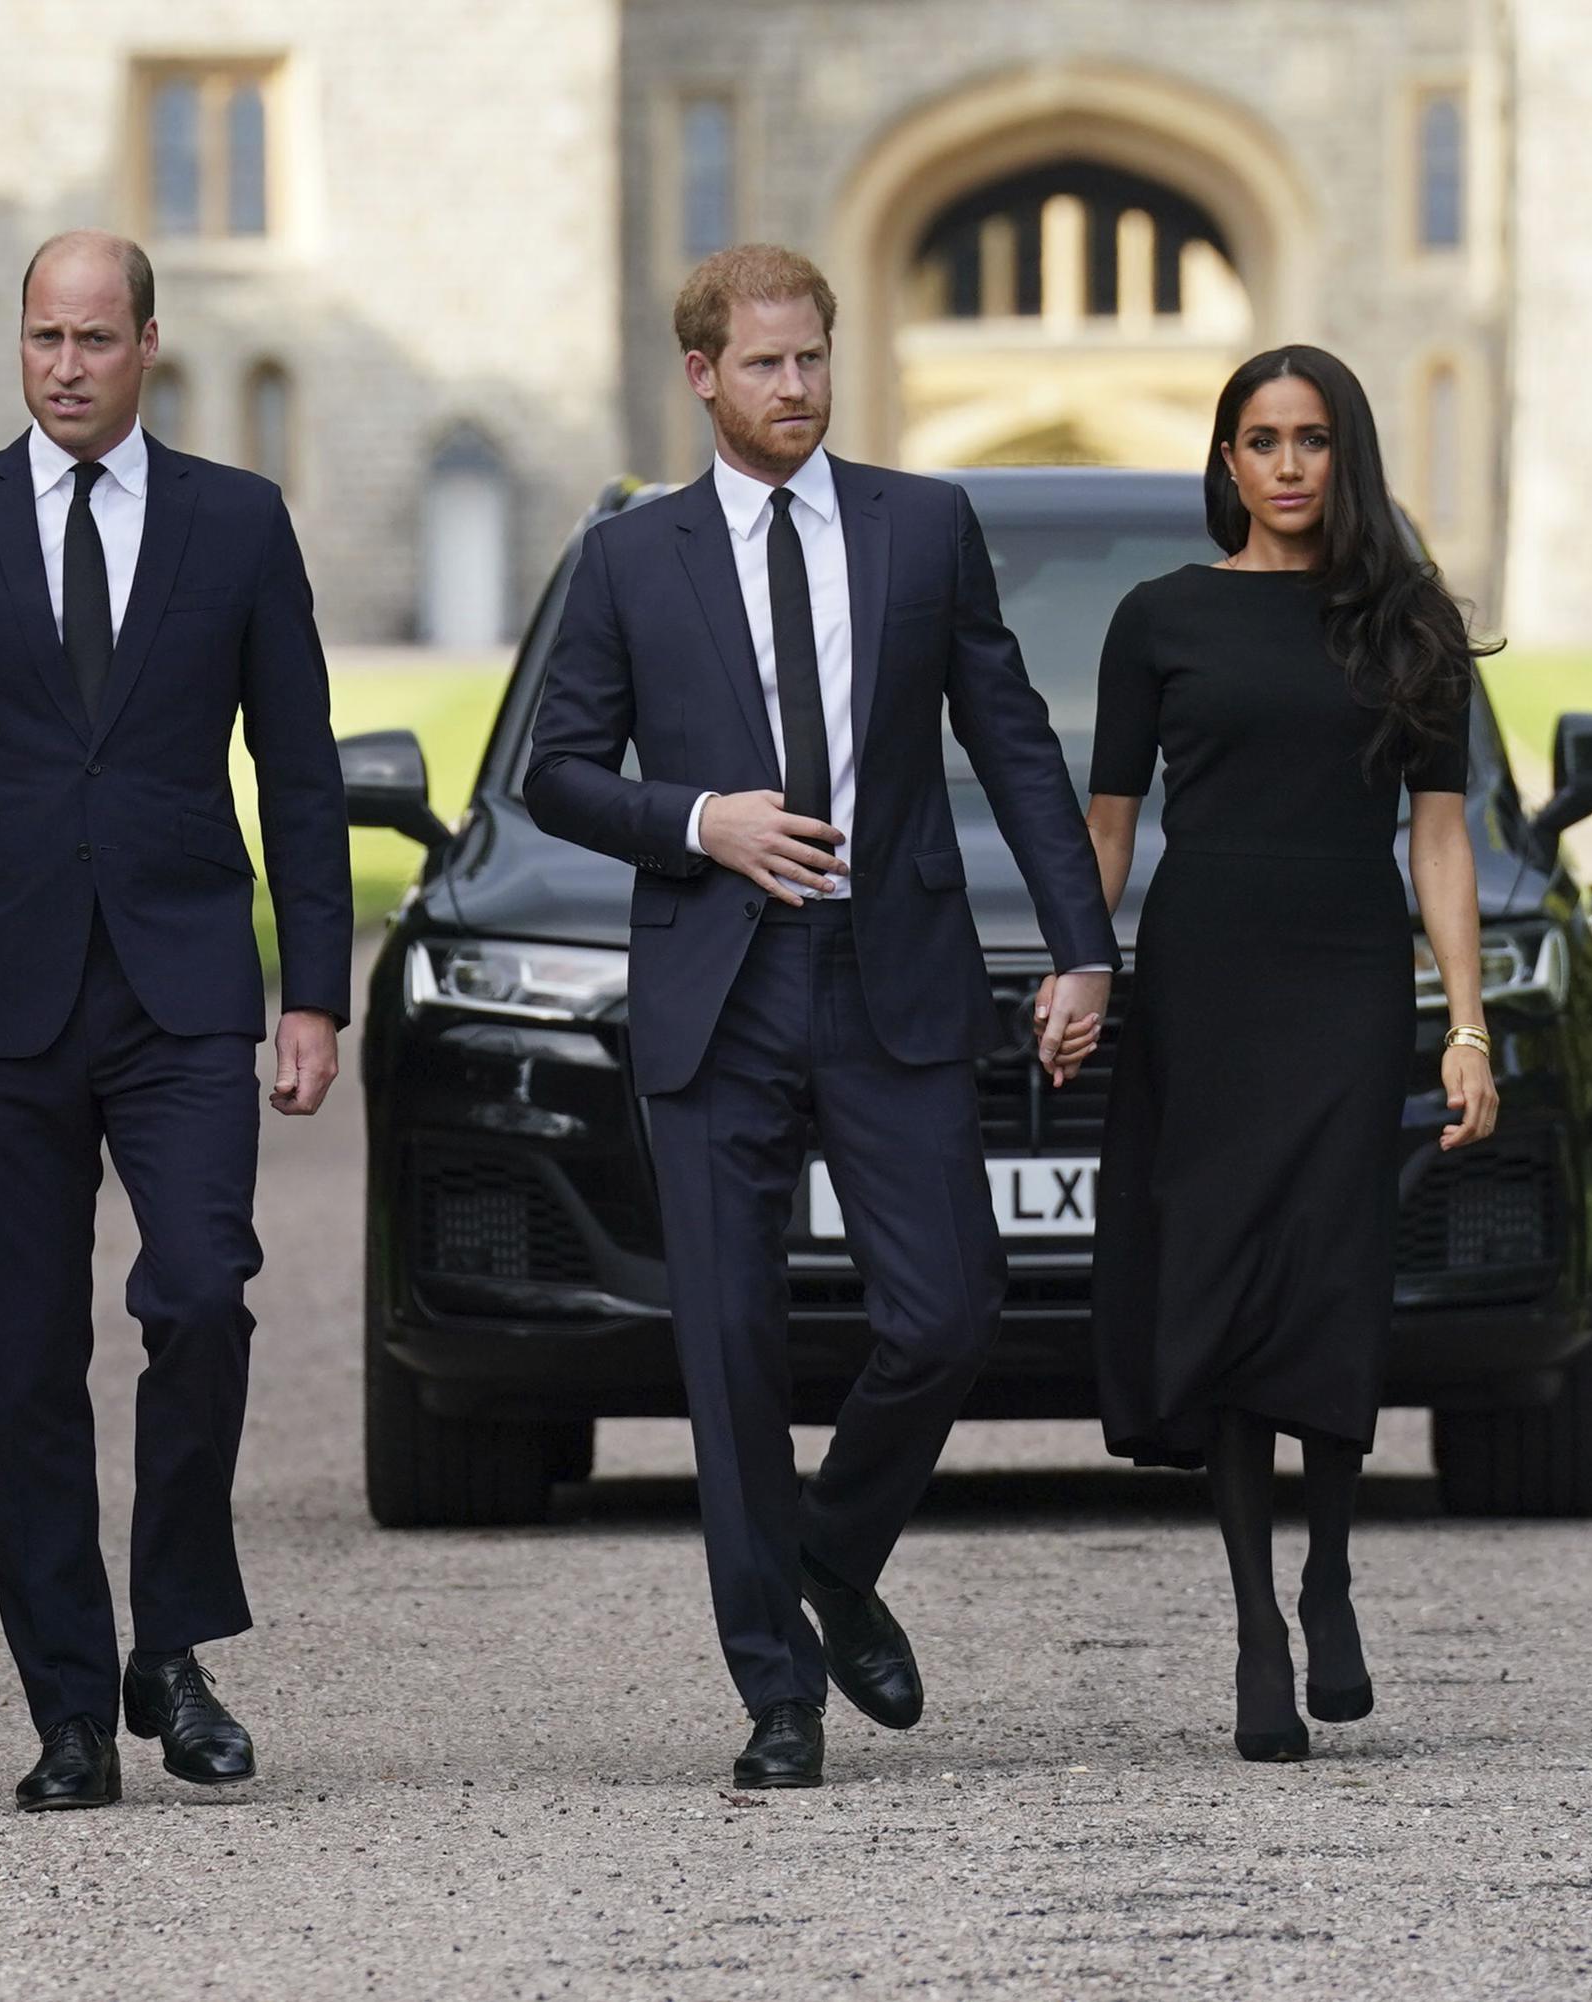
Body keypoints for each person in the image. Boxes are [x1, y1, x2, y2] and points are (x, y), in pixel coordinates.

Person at [524, 245, 1118, 1789]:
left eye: (814, 360)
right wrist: (701, 819)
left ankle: (833, 1554)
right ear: (704, 376)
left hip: (892, 972)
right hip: (716, 986)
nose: (795, 388)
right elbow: (558, 770)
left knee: (950, 1309)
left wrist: (1082, 942)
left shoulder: (924, 525)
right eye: (765, 365)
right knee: (729, 1347)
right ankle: (777, 1692)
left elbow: (1015, 738)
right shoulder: (629, 560)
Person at [0, 230, 349, 1812]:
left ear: (149, 346)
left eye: (96, 338)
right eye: (43, 336)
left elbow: (303, 770)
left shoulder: (239, 523)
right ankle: (64, 1706)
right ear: (20, 343)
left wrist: (310, 986)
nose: (65, 364)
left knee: (200, 1297)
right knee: (25, 1356)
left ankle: (170, 1644)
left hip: (184, 988)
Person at [1076, 345, 1500, 1763]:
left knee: (1328, 1267)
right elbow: (1111, 828)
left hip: (1346, 975)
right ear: (1227, 461)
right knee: (1225, 1272)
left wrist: (1468, 1024)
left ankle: (1330, 1573)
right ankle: (1255, 1618)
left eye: (1312, 439)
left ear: (1346, 454)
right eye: (1261, 440)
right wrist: (1085, 967)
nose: (1288, 465)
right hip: (1206, 977)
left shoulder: (1409, 623)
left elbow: (1439, 838)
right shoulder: (1158, 618)